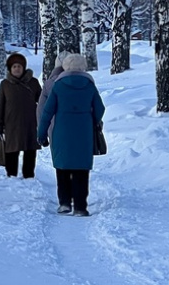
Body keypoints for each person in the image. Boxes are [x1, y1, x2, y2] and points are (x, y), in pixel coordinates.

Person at [37, 53, 105, 217]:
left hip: (61, 132)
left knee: (63, 168)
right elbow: (100, 108)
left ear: (65, 66)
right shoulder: (89, 85)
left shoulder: (58, 86)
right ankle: (81, 206)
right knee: (82, 169)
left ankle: (65, 203)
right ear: (83, 66)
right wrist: (94, 121)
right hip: (84, 133)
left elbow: (47, 111)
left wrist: (41, 133)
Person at [0, 53, 42, 178]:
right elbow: (0, 105)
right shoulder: (5, 84)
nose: (17, 69)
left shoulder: (33, 82)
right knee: (11, 150)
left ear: (23, 67)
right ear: (10, 69)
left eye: (19, 66)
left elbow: (42, 102)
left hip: (30, 123)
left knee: (30, 150)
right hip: (11, 124)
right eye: (14, 66)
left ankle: (29, 176)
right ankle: (11, 175)